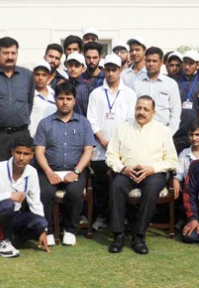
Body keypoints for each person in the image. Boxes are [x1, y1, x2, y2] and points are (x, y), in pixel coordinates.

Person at [106, 96, 179, 255]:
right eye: (139, 108)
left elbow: (172, 161)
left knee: (152, 188)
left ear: (153, 112)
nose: (141, 112)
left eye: (146, 109)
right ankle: (118, 236)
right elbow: (111, 156)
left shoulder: (162, 131)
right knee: (116, 186)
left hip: (153, 173)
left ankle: (139, 236)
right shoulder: (123, 128)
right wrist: (123, 168)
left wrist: (152, 169)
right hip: (127, 171)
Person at [34, 82, 96, 246]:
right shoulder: (45, 123)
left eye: (68, 98)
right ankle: (48, 230)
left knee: (75, 193)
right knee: (45, 193)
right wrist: (48, 172)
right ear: (55, 100)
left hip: (75, 170)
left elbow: (88, 150)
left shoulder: (84, 123)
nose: (64, 102)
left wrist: (76, 171)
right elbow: (39, 151)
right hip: (50, 170)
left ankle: (69, 230)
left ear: (74, 100)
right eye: (61, 98)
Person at [86, 54, 138, 231]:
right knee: (101, 186)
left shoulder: (129, 94)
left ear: (120, 71)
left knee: (119, 184)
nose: (110, 73)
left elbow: (131, 120)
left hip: (122, 150)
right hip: (100, 150)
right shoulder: (96, 93)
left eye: (114, 69)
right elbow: (91, 120)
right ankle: (102, 217)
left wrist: (116, 144)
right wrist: (103, 140)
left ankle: (121, 218)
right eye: (107, 69)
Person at [0, 135, 50, 258]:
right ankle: (1, 242)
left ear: (32, 155)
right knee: (8, 204)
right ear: (12, 152)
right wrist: (9, 195)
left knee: (41, 222)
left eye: (26, 154)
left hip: (14, 217)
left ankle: (7, 241)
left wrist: (43, 230)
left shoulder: (32, 172)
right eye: (18, 152)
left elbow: (35, 203)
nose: (21, 158)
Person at [0, 37, 33, 171]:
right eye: (6, 53)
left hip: (21, 132)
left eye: (13, 53)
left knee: (22, 172)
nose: (10, 56)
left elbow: (29, 103)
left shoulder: (27, 76)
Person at [131, 47, 182, 133]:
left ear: (161, 62)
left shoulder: (171, 84)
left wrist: (169, 133)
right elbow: (131, 109)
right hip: (140, 130)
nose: (151, 64)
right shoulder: (136, 82)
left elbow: (175, 112)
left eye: (154, 61)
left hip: (163, 130)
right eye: (148, 61)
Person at [171, 50, 199, 153]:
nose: (187, 67)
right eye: (185, 63)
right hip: (177, 131)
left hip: (195, 132)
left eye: (191, 63)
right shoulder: (174, 81)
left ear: (197, 64)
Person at [173, 119, 199, 201]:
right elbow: (179, 173)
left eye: (197, 135)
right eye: (191, 135)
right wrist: (175, 179)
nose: (194, 138)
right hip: (189, 194)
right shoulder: (184, 154)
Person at [30, 61, 57, 137]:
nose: (40, 78)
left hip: (51, 139)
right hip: (33, 138)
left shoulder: (54, 94)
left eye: (44, 75)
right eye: (37, 74)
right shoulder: (29, 95)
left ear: (48, 77)